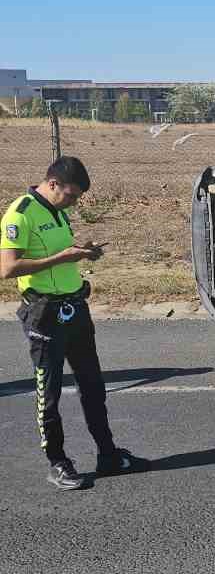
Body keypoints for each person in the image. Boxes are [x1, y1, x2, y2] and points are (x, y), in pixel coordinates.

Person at [0, 156, 143, 488]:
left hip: (75, 309)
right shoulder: (19, 214)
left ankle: (107, 455)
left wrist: (82, 251)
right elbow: (7, 269)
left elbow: (61, 258)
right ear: (52, 185)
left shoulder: (58, 212)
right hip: (44, 313)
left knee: (93, 386)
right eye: (71, 195)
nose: (75, 202)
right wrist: (63, 257)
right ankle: (58, 462)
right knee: (48, 392)